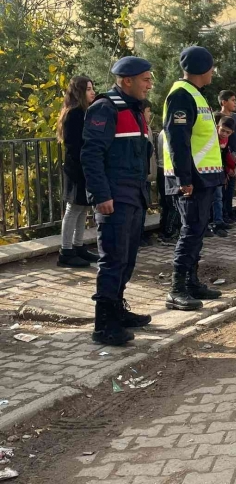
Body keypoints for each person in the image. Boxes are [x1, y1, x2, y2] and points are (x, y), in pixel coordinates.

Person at [80, 57, 154, 346]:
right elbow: (91, 155)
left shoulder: (134, 109)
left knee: (127, 260)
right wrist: (101, 195)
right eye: (145, 79)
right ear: (127, 81)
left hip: (133, 195)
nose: (149, 84)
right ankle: (104, 325)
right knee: (112, 261)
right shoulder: (105, 108)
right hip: (115, 197)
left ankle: (117, 311)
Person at [163, 46, 224, 311]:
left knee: (197, 232)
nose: (213, 72)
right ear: (203, 69)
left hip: (204, 177)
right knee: (189, 232)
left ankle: (192, 281)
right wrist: (183, 178)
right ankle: (176, 289)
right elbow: (177, 139)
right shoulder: (181, 95)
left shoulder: (195, 95)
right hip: (192, 179)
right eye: (211, 67)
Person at [57, 76, 99, 268]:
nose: (93, 92)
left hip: (82, 167)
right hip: (76, 169)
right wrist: (85, 164)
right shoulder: (74, 113)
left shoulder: (83, 111)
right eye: (88, 89)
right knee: (73, 209)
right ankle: (66, 251)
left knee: (82, 208)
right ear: (79, 92)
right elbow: (74, 145)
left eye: (92, 88)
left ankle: (78, 246)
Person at [216, 90, 236, 224]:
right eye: (232, 100)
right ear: (224, 102)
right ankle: (220, 215)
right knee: (222, 188)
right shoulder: (217, 117)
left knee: (231, 187)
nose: (235, 103)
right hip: (224, 157)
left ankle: (228, 212)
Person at [211, 116, 236, 238]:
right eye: (222, 130)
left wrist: (227, 170)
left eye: (228, 132)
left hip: (219, 172)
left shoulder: (225, 141)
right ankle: (212, 223)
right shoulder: (212, 139)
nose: (224, 134)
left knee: (218, 197)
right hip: (210, 172)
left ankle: (219, 221)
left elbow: (225, 157)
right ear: (217, 127)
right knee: (212, 198)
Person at [157, 127, 181, 245]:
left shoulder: (163, 132)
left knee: (166, 205)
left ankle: (163, 232)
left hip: (163, 169)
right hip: (169, 171)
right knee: (173, 205)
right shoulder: (170, 132)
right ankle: (169, 233)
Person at [139, 100, 158, 248]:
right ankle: (138, 235)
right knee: (139, 207)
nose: (150, 114)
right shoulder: (140, 127)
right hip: (141, 174)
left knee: (144, 206)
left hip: (147, 173)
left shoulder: (148, 128)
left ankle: (141, 233)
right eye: (147, 111)